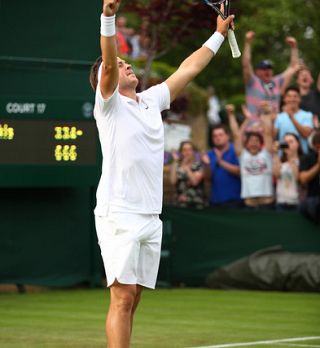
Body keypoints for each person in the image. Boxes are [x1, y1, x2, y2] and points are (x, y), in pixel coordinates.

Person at [89, 1, 235, 346]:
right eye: (120, 65)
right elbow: (108, 61)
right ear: (103, 81)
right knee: (122, 297)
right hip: (119, 213)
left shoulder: (152, 99)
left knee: (134, 298)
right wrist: (108, 16)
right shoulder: (107, 104)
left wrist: (217, 34)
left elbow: (188, 69)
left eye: (127, 63)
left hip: (150, 215)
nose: (126, 66)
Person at [242, 31, 299, 121]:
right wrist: (248, 43)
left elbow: (293, 67)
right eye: (264, 69)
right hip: (255, 129)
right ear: (257, 71)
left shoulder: (276, 81)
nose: (268, 71)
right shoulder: (252, 82)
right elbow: (246, 65)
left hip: (274, 129)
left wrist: (294, 47)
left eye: (269, 68)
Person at [227, 103, 274, 208]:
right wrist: (231, 115)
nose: (253, 142)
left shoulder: (266, 154)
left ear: (260, 143)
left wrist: (266, 114)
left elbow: (267, 133)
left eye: (256, 140)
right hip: (249, 203)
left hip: (267, 202)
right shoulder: (243, 156)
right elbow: (236, 135)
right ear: (246, 144)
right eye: (251, 140)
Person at [202, 125, 241, 207]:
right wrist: (207, 165)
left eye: (220, 135)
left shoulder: (236, 150)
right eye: (214, 136)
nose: (217, 138)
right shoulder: (209, 154)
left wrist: (221, 162)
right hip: (215, 201)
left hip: (235, 200)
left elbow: (240, 172)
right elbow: (207, 178)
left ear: (228, 136)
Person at [274, 86, 314, 154]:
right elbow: (273, 136)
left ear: (299, 99)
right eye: (289, 96)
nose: (292, 99)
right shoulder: (279, 116)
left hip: (302, 156)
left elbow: (306, 134)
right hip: (283, 156)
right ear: (284, 99)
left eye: (295, 96)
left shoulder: (307, 115)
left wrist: (291, 117)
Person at [169, 141, 205, 209]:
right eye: (184, 150)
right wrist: (175, 162)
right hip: (179, 203)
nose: (187, 152)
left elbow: (195, 182)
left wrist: (186, 167)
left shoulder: (199, 165)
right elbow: (173, 181)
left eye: (190, 149)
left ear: (194, 151)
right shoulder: (177, 165)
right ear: (181, 152)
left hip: (195, 203)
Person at [273, 133, 303, 210]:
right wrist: (275, 153)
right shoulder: (281, 161)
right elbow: (276, 174)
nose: (288, 145)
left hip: (298, 202)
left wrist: (292, 157)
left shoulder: (304, 161)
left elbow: (297, 178)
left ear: (298, 143)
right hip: (281, 202)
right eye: (286, 142)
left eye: (291, 142)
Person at [299, 130, 320, 224]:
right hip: (314, 197)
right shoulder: (307, 158)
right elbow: (303, 179)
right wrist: (319, 165)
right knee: (308, 205)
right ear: (316, 146)